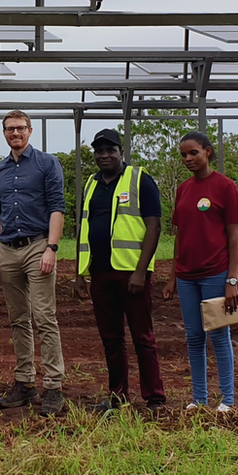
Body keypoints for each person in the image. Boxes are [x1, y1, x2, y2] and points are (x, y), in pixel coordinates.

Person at [74, 129, 167, 413]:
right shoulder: (91, 184)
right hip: (100, 274)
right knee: (111, 339)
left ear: (121, 152)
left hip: (131, 275)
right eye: (99, 151)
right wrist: (79, 273)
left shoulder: (140, 179)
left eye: (110, 150)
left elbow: (154, 225)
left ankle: (155, 398)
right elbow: (83, 228)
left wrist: (141, 272)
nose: (104, 155)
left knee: (143, 338)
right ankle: (118, 397)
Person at [0, 110, 67, 416]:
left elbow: (57, 207)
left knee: (44, 316)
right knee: (18, 319)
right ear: (4, 133)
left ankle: (54, 387)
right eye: (9, 129)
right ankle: (24, 382)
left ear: (30, 131)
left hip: (37, 245)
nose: (15, 133)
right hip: (8, 249)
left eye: (20, 128)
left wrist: (52, 248)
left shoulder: (47, 163)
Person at [162, 131, 238, 413]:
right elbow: (179, 235)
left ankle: (228, 399)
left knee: (219, 334)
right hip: (187, 276)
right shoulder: (183, 189)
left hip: (215, 273)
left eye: (193, 153)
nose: (188, 159)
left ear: (207, 152)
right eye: (183, 155)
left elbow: (234, 237)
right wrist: (173, 276)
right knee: (194, 336)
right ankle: (199, 398)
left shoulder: (225, 187)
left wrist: (231, 280)